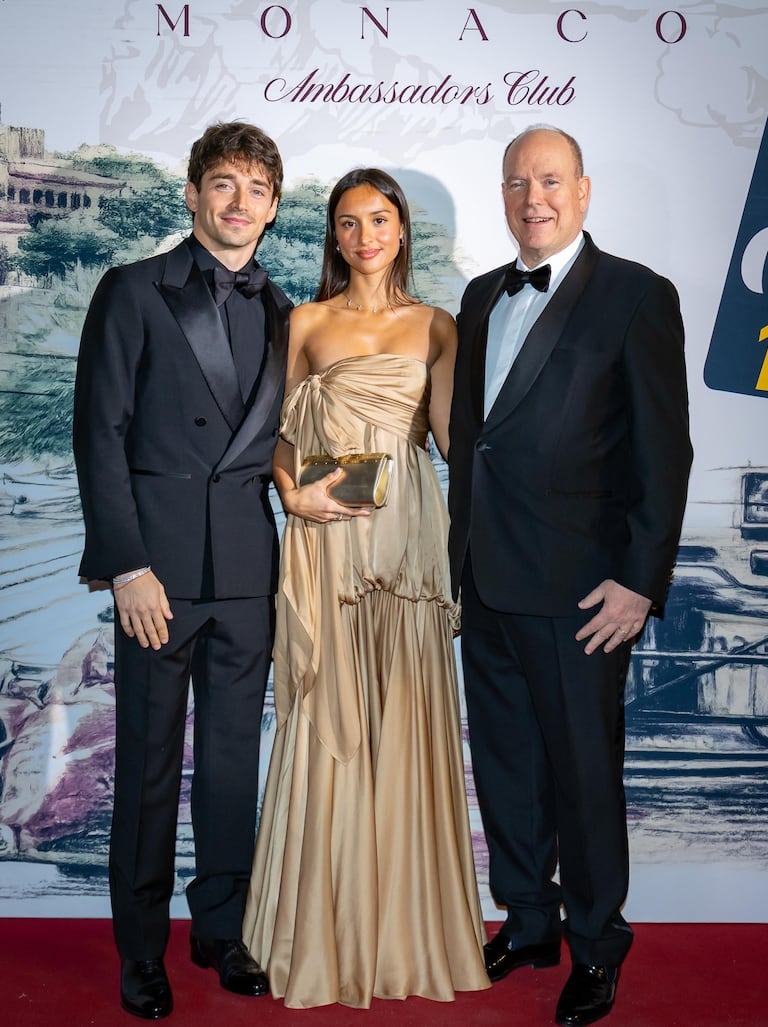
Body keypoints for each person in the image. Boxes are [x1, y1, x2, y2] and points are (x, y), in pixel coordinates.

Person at [447, 126, 692, 1027]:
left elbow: (665, 455)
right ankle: (530, 919)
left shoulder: (636, 295)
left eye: (550, 181)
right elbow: (478, 440)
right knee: (507, 768)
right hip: (487, 583)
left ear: (583, 191)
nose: (532, 198)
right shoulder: (479, 297)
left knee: (585, 778)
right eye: (517, 183)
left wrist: (640, 580)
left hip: (586, 593)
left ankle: (596, 945)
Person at [242, 168, 489, 1008]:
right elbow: (275, 437)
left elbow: (456, 444)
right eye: (347, 224)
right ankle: (322, 932)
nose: (363, 237)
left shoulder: (439, 327)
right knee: (331, 722)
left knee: (406, 721)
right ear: (332, 237)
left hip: (409, 548)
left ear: (401, 228)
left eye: (377, 220)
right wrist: (290, 490)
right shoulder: (304, 321)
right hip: (329, 539)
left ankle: (407, 933)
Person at [73, 121, 291, 1020]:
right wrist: (126, 564)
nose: (240, 204)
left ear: (274, 211)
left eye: (258, 191)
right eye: (226, 185)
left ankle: (221, 928)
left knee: (235, 764)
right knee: (150, 768)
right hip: (156, 575)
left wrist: (367, 494)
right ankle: (139, 950)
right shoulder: (133, 290)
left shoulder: (287, 312)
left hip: (247, 571)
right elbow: (100, 435)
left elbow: (293, 446)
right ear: (194, 194)